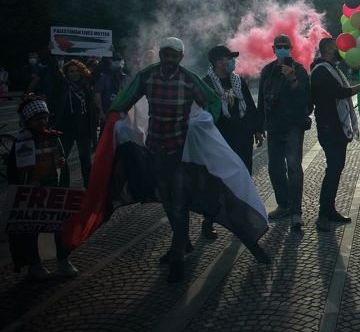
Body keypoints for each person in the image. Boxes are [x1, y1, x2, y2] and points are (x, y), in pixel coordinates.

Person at [113, 37, 269, 283]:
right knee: (166, 197)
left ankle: (178, 256)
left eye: (174, 56)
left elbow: (212, 102)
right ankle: (183, 242)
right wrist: (117, 119)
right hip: (155, 148)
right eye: (166, 54)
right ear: (161, 54)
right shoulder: (147, 76)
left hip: (180, 150)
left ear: (181, 58)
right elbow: (124, 100)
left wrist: (206, 120)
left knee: (177, 201)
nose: (169, 60)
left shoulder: (189, 79)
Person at [7, 95, 79, 279]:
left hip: (53, 191)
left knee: (60, 227)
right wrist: (24, 186)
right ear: (27, 121)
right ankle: (34, 264)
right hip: (32, 194)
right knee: (31, 230)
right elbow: (14, 171)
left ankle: (63, 260)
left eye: (44, 118)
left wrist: (61, 166)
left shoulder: (53, 138)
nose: (42, 122)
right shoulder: (21, 142)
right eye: (37, 119)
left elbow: (61, 163)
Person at [310, 37, 360, 232]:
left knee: (336, 169)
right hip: (330, 127)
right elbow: (341, 92)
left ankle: (329, 210)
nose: (340, 50)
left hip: (336, 126)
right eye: (336, 48)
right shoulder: (321, 70)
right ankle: (323, 214)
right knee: (333, 169)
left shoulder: (331, 68)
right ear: (328, 49)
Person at [204, 45, 263, 238]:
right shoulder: (206, 84)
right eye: (228, 59)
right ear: (217, 62)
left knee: (243, 178)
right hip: (219, 141)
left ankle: (240, 218)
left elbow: (250, 106)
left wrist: (256, 129)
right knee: (216, 181)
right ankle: (209, 220)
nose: (231, 62)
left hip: (242, 139)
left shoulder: (238, 81)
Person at [257, 35, 309, 231]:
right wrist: (258, 126)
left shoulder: (300, 70)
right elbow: (262, 99)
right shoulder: (268, 71)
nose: (281, 49)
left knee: (294, 167)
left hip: (294, 125)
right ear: (273, 49)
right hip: (274, 126)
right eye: (278, 46)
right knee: (274, 168)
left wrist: (293, 80)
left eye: (285, 46)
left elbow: (305, 98)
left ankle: (296, 211)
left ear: (291, 48)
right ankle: (284, 204)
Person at [52, 59, 96, 189]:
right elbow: (54, 71)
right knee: (62, 160)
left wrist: (107, 53)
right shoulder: (63, 87)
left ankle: (89, 188)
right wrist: (51, 54)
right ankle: (63, 188)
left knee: (86, 161)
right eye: (71, 71)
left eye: (77, 71)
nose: (75, 74)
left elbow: (98, 71)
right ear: (66, 74)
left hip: (83, 130)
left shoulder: (86, 87)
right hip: (67, 130)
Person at [94, 55, 130, 129]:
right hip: (107, 114)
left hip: (122, 115)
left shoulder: (126, 78)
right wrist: (100, 112)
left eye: (119, 61)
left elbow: (130, 96)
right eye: (115, 61)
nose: (117, 65)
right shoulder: (104, 77)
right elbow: (97, 95)